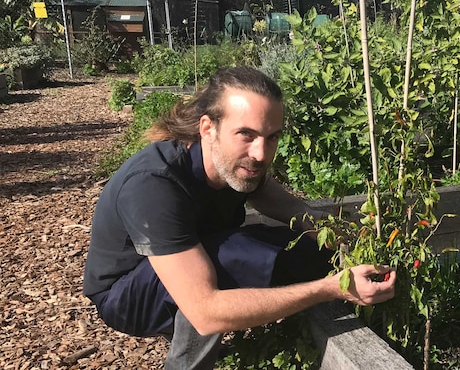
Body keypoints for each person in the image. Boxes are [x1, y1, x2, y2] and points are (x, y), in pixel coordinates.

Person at [83, 66, 396, 369]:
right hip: (125, 295)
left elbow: (294, 211)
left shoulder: (235, 164)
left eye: (272, 137)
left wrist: (336, 236)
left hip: (189, 259)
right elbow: (205, 311)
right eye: (246, 134)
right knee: (231, 259)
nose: (261, 153)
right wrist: (331, 288)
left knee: (285, 246)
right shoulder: (154, 184)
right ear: (208, 128)